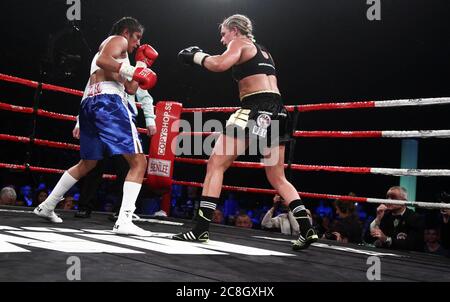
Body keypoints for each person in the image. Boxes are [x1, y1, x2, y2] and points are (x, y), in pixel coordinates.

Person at [173, 14, 318, 250]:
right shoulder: (264, 50)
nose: (222, 39)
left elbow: (219, 64)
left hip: (256, 108)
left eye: (223, 34)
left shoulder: (239, 43)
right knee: (277, 177)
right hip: (279, 112)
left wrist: (196, 57)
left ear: (235, 30)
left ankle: (200, 230)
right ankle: (307, 228)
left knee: (215, 164)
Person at [33, 17, 157, 236]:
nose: (138, 43)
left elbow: (129, 89)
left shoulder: (124, 58)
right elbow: (102, 60)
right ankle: (124, 220)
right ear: (127, 32)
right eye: (137, 37)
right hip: (108, 103)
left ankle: (47, 205)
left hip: (92, 104)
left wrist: (141, 66)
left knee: (87, 163)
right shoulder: (117, 40)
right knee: (138, 162)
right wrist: (131, 70)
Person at [72, 87, 157, 219]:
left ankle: (122, 212)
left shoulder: (129, 73)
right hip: (99, 121)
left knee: (125, 168)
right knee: (93, 165)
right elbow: (88, 95)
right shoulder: (100, 71)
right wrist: (80, 121)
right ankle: (84, 207)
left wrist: (150, 120)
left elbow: (145, 97)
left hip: (122, 125)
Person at [364, 186, 424, 251]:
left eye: (393, 197)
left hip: (406, 258)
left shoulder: (415, 218)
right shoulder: (383, 215)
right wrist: (378, 219)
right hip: (384, 256)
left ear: (404, 201)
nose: (389, 200)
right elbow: (367, 239)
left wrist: (386, 239)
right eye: (387, 197)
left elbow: (411, 245)